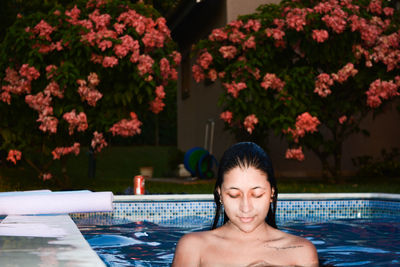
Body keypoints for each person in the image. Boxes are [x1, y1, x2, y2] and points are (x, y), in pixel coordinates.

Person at [172, 142, 319, 267]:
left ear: (271, 193)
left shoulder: (300, 252)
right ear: (220, 194)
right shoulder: (193, 248)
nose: (246, 207)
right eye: (234, 195)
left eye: (257, 195)